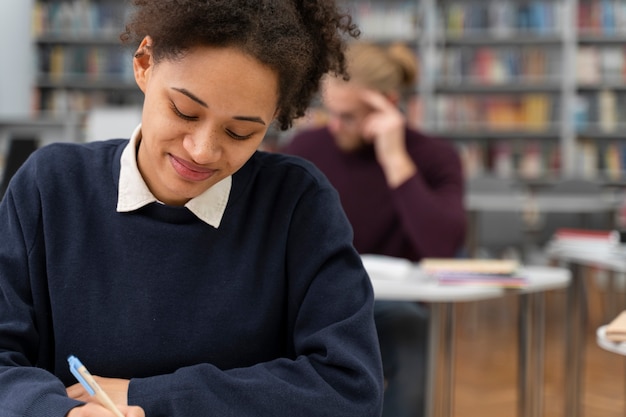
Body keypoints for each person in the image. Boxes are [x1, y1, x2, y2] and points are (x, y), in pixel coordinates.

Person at [0, 2, 385, 417]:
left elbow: (350, 388)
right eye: (184, 111)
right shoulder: (51, 184)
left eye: (240, 132)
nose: (202, 151)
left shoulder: (297, 204)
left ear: (273, 116)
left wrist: (148, 397)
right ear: (144, 63)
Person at [282, 42, 466, 417]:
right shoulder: (305, 149)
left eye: (348, 116)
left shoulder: (434, 156)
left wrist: (395, 158)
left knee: (409, 327)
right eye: (329, 112)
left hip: (394, 303)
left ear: (387, 103)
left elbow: (442, 245)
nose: (334, 126)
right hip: (314, 299)